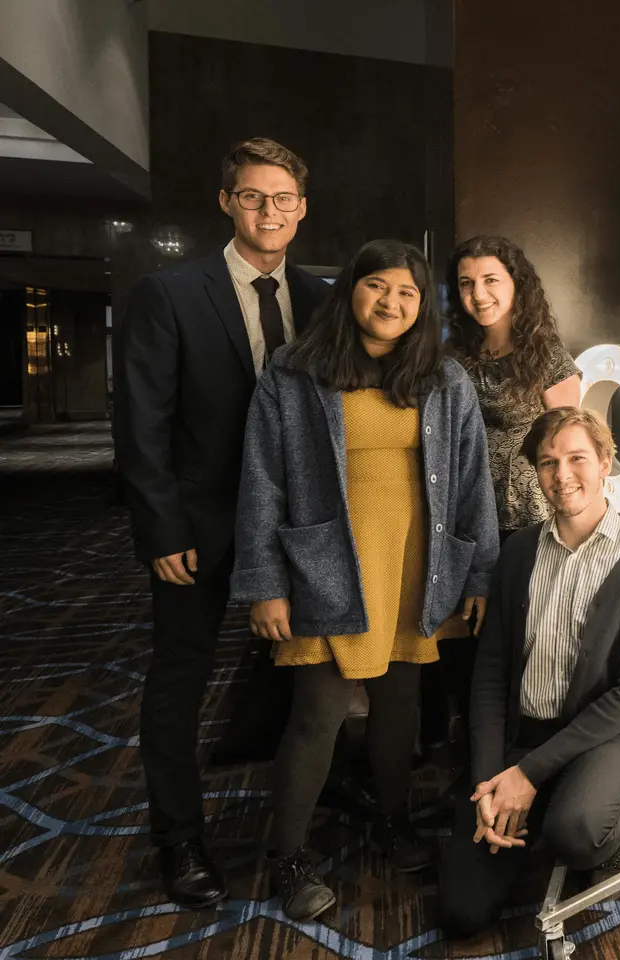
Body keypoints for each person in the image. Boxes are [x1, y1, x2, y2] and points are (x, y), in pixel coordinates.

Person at [231, 239, 498, 921]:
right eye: (378, 285)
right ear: (350, 288)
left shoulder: (445, 378)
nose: (391, 302)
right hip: (326, 567)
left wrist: (480, 573)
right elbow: (261, 483)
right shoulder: (295, 373)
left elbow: (474, 485)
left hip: (415, 564)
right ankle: (289, 857)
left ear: (422, 306)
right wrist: (265, 584)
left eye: (408, 292)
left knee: (400, 703)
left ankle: (392, 820)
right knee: (317, 712)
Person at [112, 138, 331, 908]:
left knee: (312, 673)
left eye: (282, 198)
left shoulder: (322, 299)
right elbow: (141, 425)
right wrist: (161, 530)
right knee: (181, 678)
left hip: (298, 526)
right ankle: (179, 838)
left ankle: (302, 819)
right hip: (198, 527)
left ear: (301, 208)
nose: (268, 211)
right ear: (226, 202)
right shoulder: (170, 293)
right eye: (252, 196)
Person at [438, 407, 620, 940]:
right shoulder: (518, 551)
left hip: (602, 737)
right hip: (524, 734)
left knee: (576, 832)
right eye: (548, 462)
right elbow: (490, 674)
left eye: (576, 458)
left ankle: (609, 820)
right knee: (461, 913)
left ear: (605, 463)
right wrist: (489, 783)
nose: (562, 475)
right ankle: (538, 807)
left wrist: (526, 776)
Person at [430, 237, 584, 762]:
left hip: (525, 518)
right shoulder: (452, 356)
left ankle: (520, 757)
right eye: (467, 283)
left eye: (491, 280)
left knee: (522, 640)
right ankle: (472, 752)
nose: (479, 294)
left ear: (517, 284)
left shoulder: (549, 358)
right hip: (462, 514)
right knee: (466, 639)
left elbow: (567, 452)